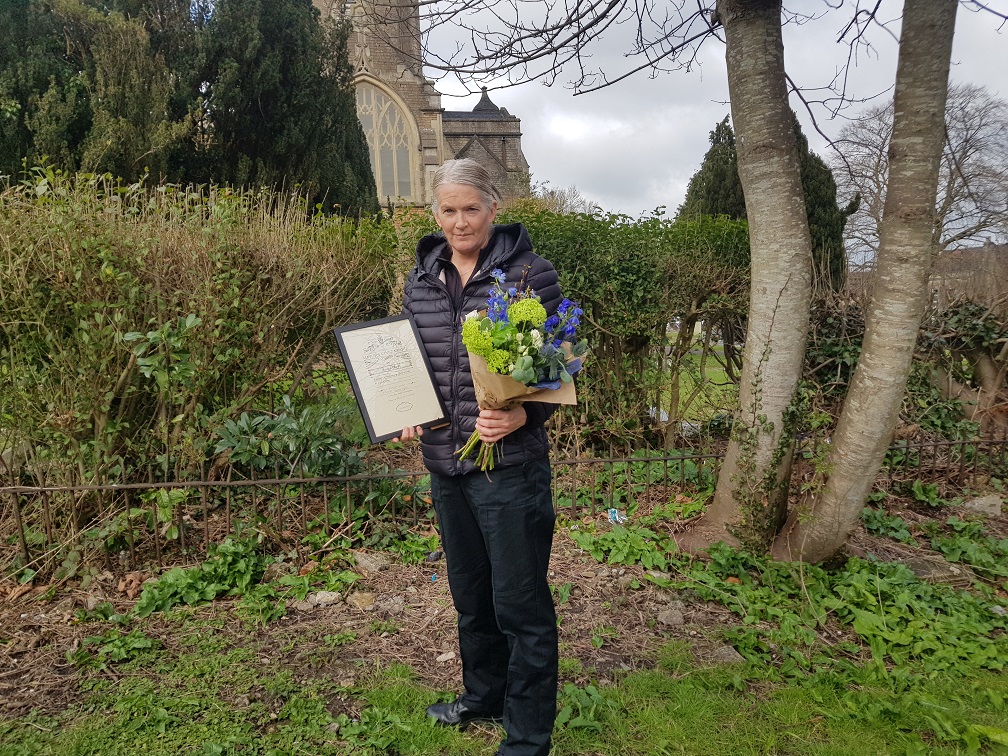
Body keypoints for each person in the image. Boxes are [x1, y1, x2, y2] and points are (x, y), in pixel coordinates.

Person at [396, 158, 560, 756]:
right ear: (433, 214)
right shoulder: (422, 277)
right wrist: (403, 407)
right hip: (447, 463)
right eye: (449, 210)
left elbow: (556, 368)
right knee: (471, 596)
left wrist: (524, 414)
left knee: (520, 603)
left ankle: (527, 736)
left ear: (494, 209)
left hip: (509, 468)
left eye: (471, 209)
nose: (459, 221)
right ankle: (483, 695)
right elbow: (417, 361)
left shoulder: (530, 275)